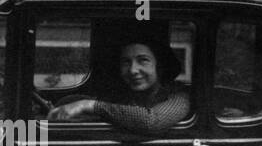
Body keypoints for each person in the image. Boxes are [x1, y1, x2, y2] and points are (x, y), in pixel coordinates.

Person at [47, 40, 189, 136]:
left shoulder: (179, 96)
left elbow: (151, 121)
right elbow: (103, 104)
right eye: (126, 62)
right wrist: (64, 107)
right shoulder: (125, 94)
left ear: (160, 66)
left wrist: (88, 105)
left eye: (143, 60)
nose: (133, 70)